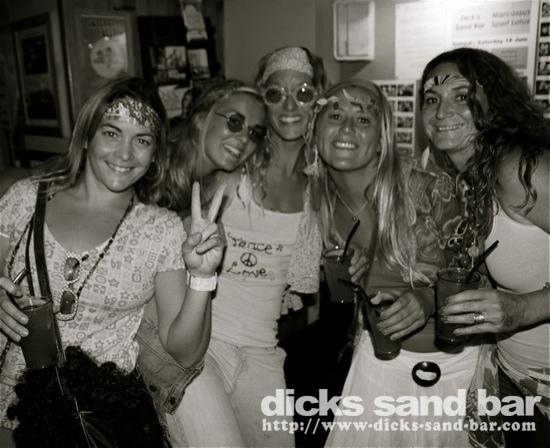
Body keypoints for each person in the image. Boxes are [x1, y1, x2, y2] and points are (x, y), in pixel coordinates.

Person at [0, 76, 225, 446]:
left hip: (98, 419)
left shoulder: (161, 230)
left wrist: (202, 276)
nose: (125, 153)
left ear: (155, 154)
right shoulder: (26, 198)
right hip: (12, 404)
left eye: (142, 140)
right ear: (87, 136)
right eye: (111, 133)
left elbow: (184, 352)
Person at [171, 46, 366, 448]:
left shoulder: (319, 192)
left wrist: (361, 258)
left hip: (262, 352)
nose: (290, 105)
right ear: (263, 99)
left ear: (319, 101)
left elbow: (348, 243)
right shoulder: (231, 170)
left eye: (304, 93)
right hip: (202, 349)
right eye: (276, 94)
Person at [308, 79, 480, 447]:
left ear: (381, 139)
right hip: (377, 365)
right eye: (335, 115)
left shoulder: (429, 188)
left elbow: (480, 272)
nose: (347, 128)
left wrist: (429, 299)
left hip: (454, 371)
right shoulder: (317, 201)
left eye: (363, 119)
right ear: (315, 129)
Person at [421, 47, 550, 445]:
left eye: (461, 96)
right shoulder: (472, 178)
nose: (442, 111)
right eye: (431, 99)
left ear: (493, 102)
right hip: (512, 378)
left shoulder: (521, 168)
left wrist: (524, 309)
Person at [134, 79, 268, 433]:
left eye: (255, 133)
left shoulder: (219, 191)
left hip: (169, 334)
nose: (244, 138)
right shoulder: (148, 160)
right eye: (235, 122)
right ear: (201, 117)